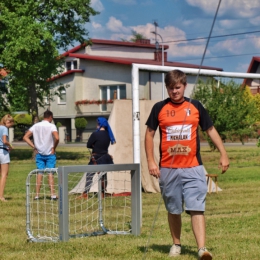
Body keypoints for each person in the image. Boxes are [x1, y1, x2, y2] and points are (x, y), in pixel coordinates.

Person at [145, 70, 229, 259]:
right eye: (171, 88)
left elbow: (210, 130)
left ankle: (202, 249)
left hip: (194, 167)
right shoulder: (159, 108)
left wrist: (223, 153)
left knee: (196, 207)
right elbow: (149, 135)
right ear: (166, 88)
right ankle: (176, 244)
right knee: (173, 209)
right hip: (168, 168)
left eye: (178, 87)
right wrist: (151, 160)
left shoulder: (196, 106)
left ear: (184, 86)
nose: (174, 91)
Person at [23, 110, 59, 200]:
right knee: (50, 172)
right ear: (50, 117)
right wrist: (54, 147)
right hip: (50, 153)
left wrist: (34, 147)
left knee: (39, 172)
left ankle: (37, 195)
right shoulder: (51, 126)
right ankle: (52, 194)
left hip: (39, 152)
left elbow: (25, 137)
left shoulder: (36, 126)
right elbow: (57, 138)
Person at [78, 117, 116, 199]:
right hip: (105, 157)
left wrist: (94, 145)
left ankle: (85, 194)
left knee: (89, 175)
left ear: (99, 124)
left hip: (96, 158)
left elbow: (88, 145)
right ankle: (102, 193)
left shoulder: (95, 134)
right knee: (103, 176)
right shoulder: (108, 135)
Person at [0, 114, 14, 202]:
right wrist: (10, 145)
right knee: (4, 175)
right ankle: (1, 196)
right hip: (3, 152)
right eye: (11, 124)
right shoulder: (4, 128)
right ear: (7, 122)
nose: (11, 126)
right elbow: (5, 141)